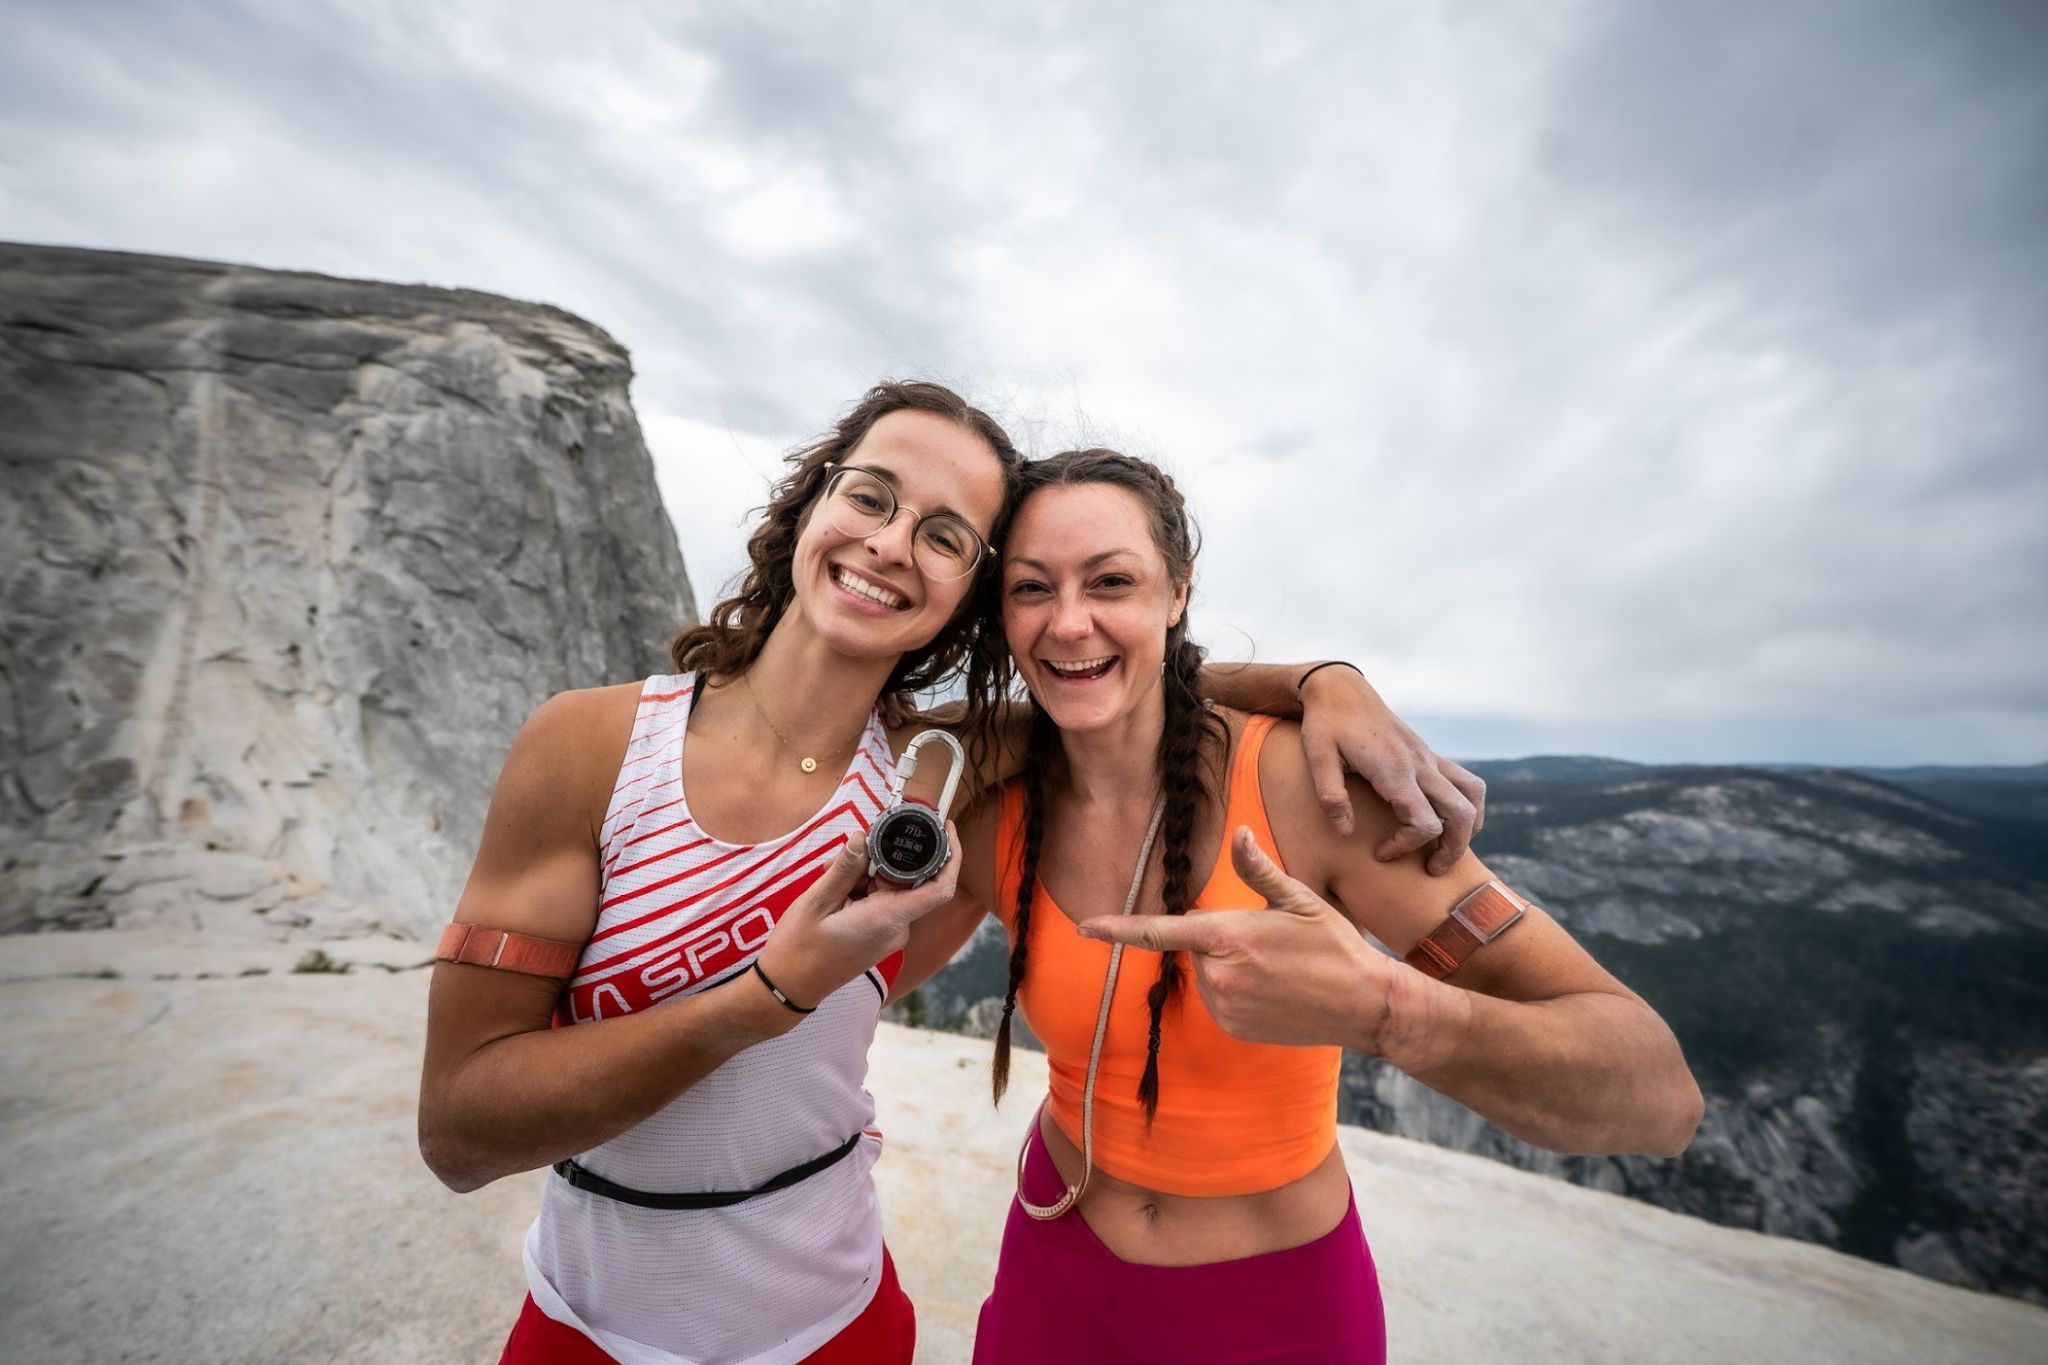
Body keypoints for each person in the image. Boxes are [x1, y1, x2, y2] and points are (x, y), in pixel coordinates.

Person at [416, 383, 1488, 1365]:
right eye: (870, 498)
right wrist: (763, 998)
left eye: (942, 536)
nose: (888, 546)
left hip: (834, 1323)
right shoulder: (594, 747)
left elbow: (1122, 676)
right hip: (581, 1317)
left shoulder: (944, 775)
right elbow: (459, 1135)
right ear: (808, 506)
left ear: (970, 598)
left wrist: (1322, 679)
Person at [940, 449, 1703, 1364]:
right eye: (1032, 589)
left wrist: (1390, 1011)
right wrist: (1313, 673)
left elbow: (1662, 1096)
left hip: (1272, 1309)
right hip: (1051, 1269)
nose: (1069, 621)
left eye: (1112, 580)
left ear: (1177, 592)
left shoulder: (1317, 791)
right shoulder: (989, 798)